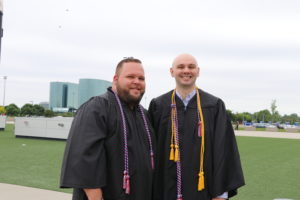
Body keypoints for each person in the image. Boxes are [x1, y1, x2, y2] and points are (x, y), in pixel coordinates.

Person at [148, 54, 245, 200]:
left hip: (203, 191)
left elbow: (225, 151)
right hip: (165, 191)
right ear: (171, 71)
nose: (186, 70)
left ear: (198, 71)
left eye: (191, 67)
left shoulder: (214, 106)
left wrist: (221, 194)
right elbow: (149, 151)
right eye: (180, 67)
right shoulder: (158, 106)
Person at [60, 57, 155, 200]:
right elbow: (85, 160)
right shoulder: (97, 107)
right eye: (130, 76)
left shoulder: (143, 114)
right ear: (115, 79)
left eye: (141, 78)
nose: (137, 81)